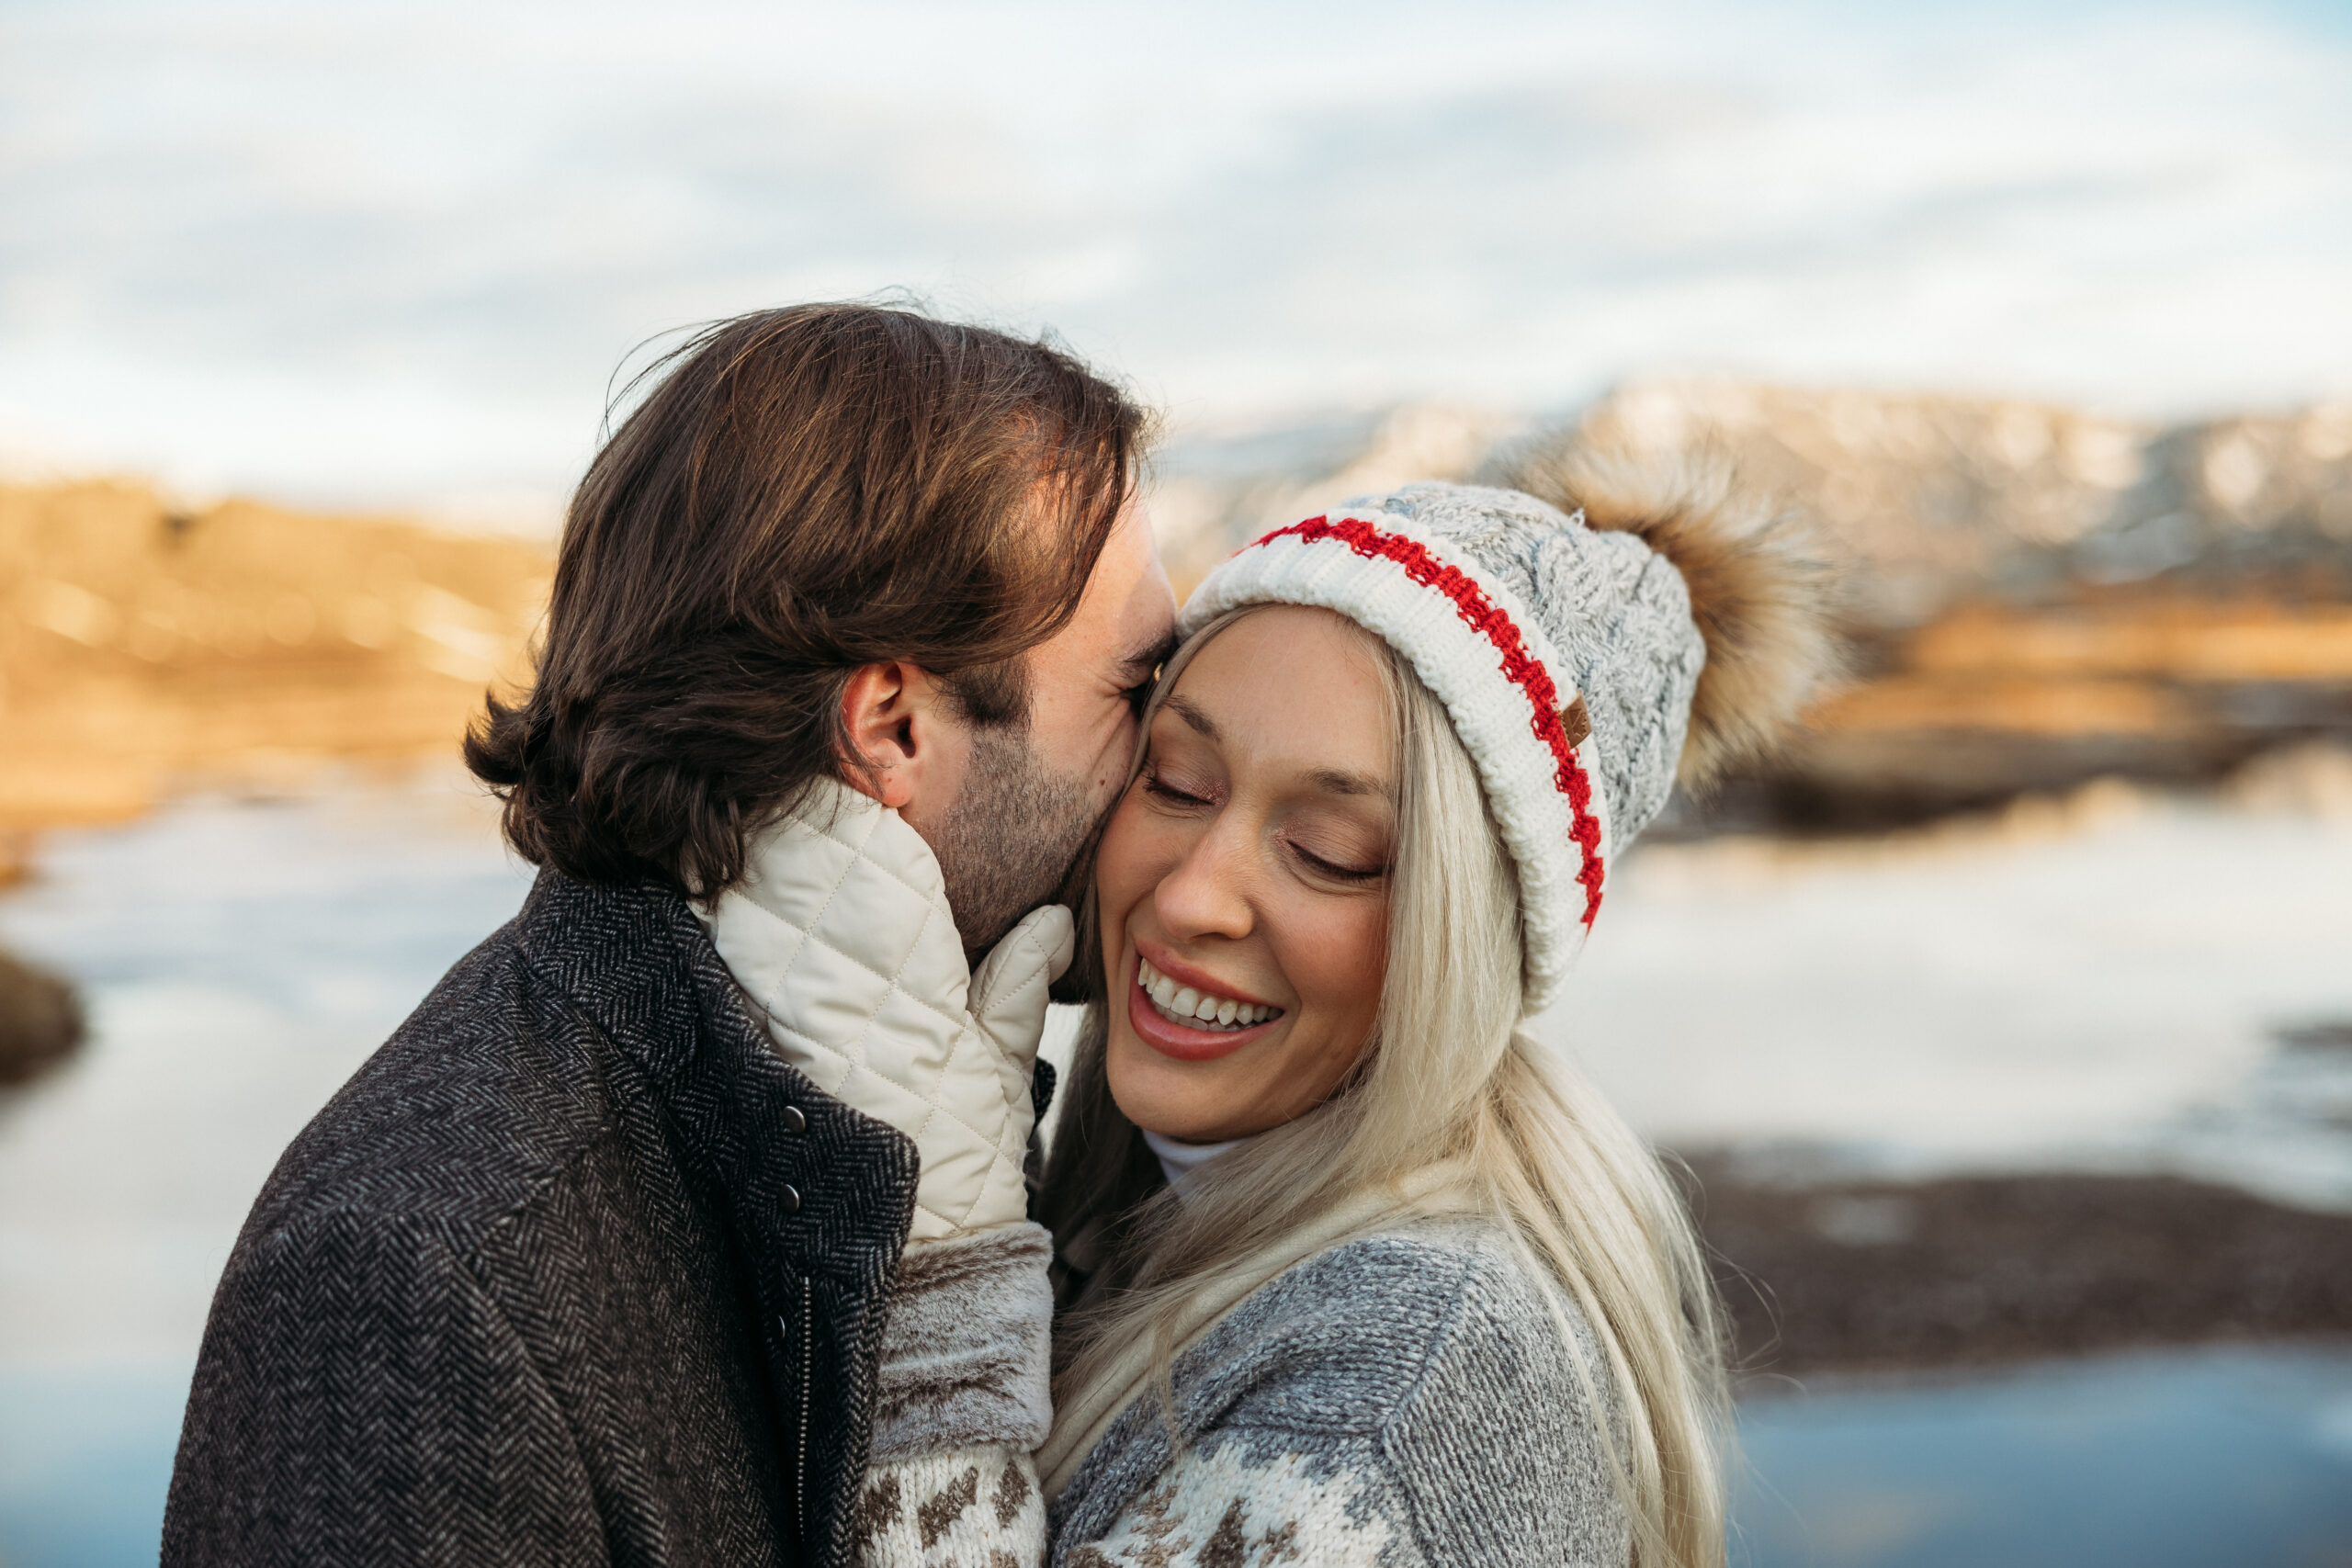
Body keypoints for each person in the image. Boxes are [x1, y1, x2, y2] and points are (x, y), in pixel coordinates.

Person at [163, 302, 1178, 1567]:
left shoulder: (929, 1103)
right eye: (1136, 688)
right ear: (895, 726)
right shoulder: (421, 1279)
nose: (1165, 765)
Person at [840, 449, 1836, 1566]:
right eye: (1174, 781)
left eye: (1331, 852)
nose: (1191, 895)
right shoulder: (1140, 1209)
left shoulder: (1391, 1406)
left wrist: (936, 1289)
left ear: (1469, 940)